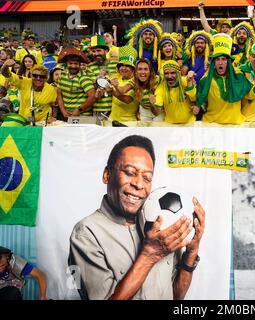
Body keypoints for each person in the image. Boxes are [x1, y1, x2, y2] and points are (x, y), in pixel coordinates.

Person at [69, 135, 206, 300]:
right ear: (107, 175)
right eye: (129, 173)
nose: (139, 184)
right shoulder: (86, 233)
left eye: (147, 178)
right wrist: (149, 255)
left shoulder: (163, 226)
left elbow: (176, 296)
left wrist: (191, 251)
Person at [196, 33, 255, 124]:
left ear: (228, 61)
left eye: (223, 59)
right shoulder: (206, 78)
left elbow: (248, 95)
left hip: (235, 123)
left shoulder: (238, 75)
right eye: (217, 59)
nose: (220, 63)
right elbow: (200, 97)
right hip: (212, 124)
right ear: (214, 62)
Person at [2, 59, 57, 123]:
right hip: (25, 122)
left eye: (42, 76)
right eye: (35, 76)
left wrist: (53, 117)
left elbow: (55, 105)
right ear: (31, 75)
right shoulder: (24, 82)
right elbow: (7, 74)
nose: (38, 78)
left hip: (43, 123)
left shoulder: (51, 89)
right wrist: (5, 66)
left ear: (46, 78)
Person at [56, 48, 95, 118]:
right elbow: (59, 94)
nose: (73, 66)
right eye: (70, 63)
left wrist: (79, 110)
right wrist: (63, 111)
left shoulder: (84, 78)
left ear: (80, 64)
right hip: (67, 116)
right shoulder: (62, 75)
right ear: (66, 64)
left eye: (76, 64)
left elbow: (93, 97)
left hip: (83, 117)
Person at [86, 35, 118, 118]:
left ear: (106, 51)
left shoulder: (115, 65)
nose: (96, 54)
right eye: (93, 51)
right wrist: (101, 76)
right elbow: (92, 87)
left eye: (99, 50)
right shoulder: (89, 67)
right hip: (98, 108)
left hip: (115, 108)